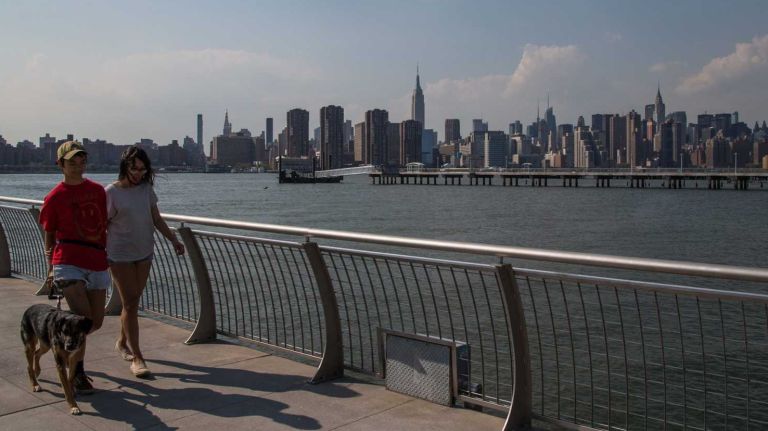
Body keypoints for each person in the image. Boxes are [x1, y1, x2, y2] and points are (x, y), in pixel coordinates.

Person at [106, 146, 185, 378]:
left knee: (132, 301)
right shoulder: (111, 192)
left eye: (142, 169)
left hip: (144, 252)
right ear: (125, 167)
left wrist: (173, 239)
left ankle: (122, 342)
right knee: (130, 303)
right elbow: (102, 224)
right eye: (134, 168)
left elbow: (156, 218)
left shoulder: (145, 189)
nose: (138, 173)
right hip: (119, 255)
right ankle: (138, 357)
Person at [39, 141, 110, 395]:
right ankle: (77, 373)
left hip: (96, 259)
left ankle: (62, 339)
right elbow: (49, 232)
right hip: (67, 261)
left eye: (82, 161)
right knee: (82, 320)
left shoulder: (98, 191)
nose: (78, 166)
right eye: (72, 162)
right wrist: (50, 267)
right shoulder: (55, 197)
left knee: (95, 322)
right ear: (60, 164)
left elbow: (103, 223)